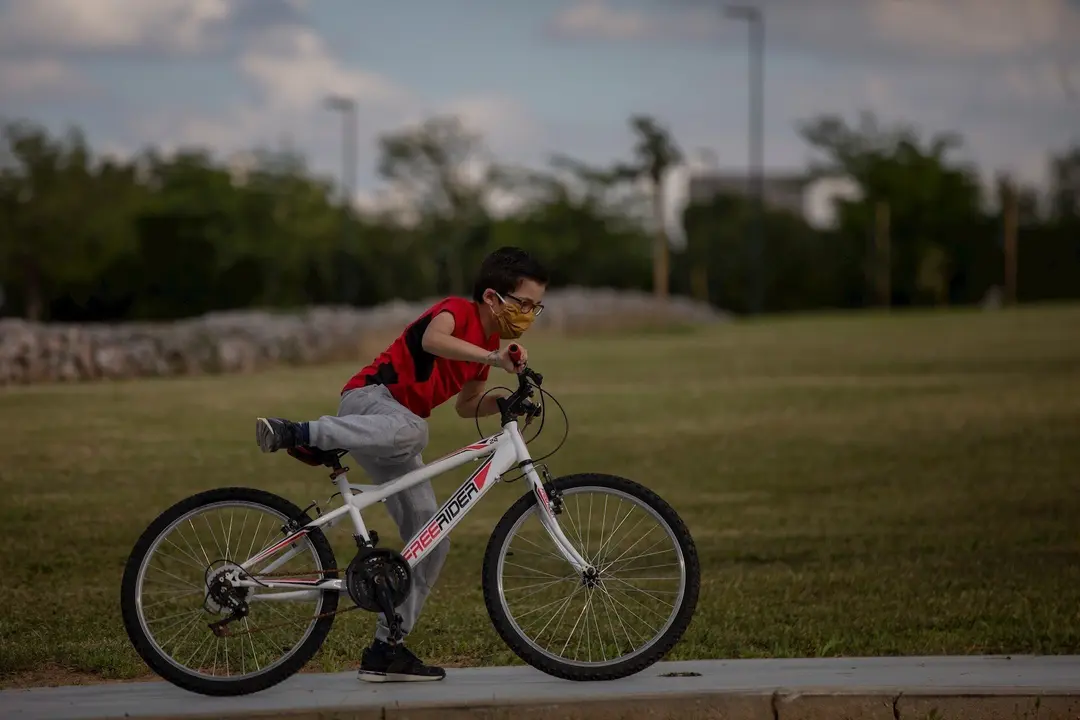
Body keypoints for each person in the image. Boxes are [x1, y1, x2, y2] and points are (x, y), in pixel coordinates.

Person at [254, 246, 549, 683]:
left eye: (536, 306)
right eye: (523, 303)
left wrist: (505, 397)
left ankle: (385, 649)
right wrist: (491, 359)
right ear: (492, 298)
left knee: (432, 538)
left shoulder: (487, 343)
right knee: (416, 431)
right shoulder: (456, 312)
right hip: (371, 401)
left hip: (396, 430)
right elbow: (433, 340)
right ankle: (302, 433)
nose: (529, 314)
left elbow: (467, 406)